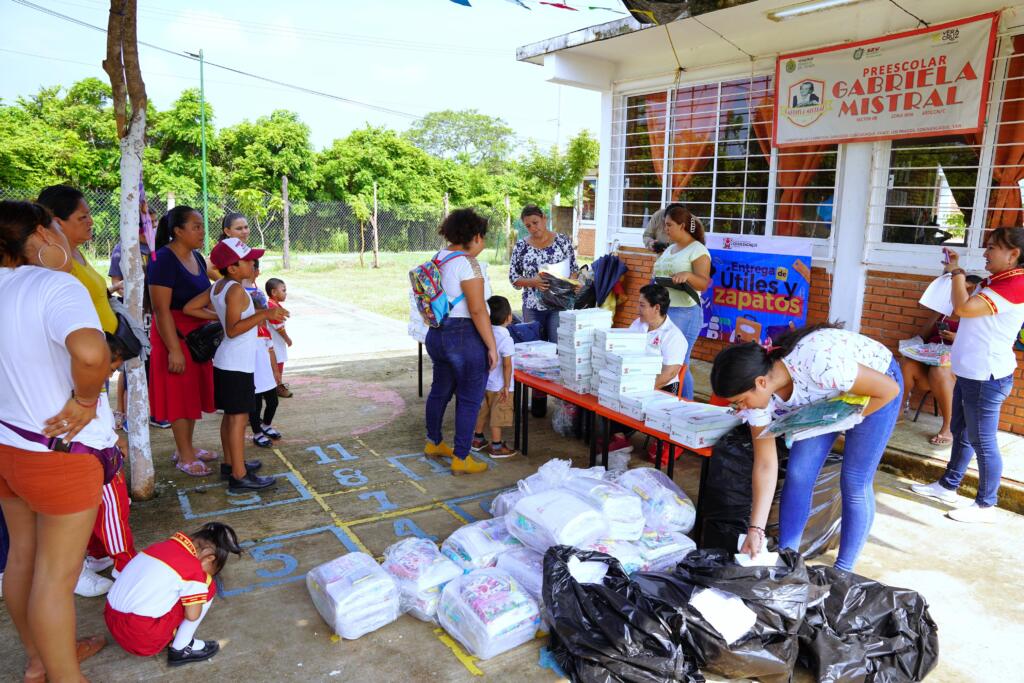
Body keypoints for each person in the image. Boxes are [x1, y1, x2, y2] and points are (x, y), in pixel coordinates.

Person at [0, 200, 110, 683]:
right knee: (54, 578)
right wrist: (86, 400)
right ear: (43, 235)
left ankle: (40, 658)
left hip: (7, 447)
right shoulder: (53, 284)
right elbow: (90, 351)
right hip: (55, 451)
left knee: (21, 559)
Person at [710, 323, 902, 571]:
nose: (741, 408)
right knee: (799, 473)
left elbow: (889, 390)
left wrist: (843, 421)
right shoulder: (758, 401)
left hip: (877, 385)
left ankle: (843, 570)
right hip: (826, 399)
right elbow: (766, 464)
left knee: (854, 480)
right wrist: (755, 529)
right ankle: (787, 558)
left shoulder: (818, 364)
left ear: (760, 382)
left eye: (740, 401)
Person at [911, 231, 1024, 523]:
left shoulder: (1016, 283)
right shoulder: (997, 281)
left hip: (987, 377)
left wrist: (958, 271)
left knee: (983, 440)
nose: (986, 253)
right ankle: (948, 485)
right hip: (970, 372)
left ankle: (987, 504)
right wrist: (954, 272)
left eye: (992, 248)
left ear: (1013, 254)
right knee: (962, 433)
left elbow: (962, 309)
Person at [185, 238, 286, 491]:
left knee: (231, 417)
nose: (253, 263)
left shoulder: (219, 286)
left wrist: (216, 314)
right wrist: (263, 314)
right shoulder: (236, 290)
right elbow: (232, 330)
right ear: (232, 267)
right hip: (236, 364)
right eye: (248, 260)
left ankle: (231, 464)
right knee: (238, 419)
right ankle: (239, 476)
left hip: (226, 361)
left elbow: (190, 307)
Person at [105, 522, 242, 666]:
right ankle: (181, 647)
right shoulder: (192, 567)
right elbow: (192, 615)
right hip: (142, 638)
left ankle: (169, 634)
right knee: (208, 584)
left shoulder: (158, 547)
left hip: (112, 620)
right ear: (209, 558)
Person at [423, 208, 497, 476]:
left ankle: (434, 443)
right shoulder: (467, 264)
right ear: (476, 236)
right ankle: (461, 457)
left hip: (437, 334)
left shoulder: (438, 258)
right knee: (469, 398)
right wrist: (491, 346)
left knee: (440, 390)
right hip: (463, 337)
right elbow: (477, 310)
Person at [148, 206, 219, 476]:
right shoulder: (162, 259)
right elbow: (161, 309)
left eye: (202, 225)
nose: (202, 231)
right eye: (196, 226)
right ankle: (185, 455)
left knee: (191, 395)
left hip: (197, 338)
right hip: (173, 336)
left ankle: (186, 447)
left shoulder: (198, 258)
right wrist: (174, 349)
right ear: (177, 231)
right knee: (179, 396)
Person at [899, 274, 982, 446]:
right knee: (907, 363)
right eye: (959, 290)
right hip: (930, 359)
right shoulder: (945, 311)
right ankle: (898, 410)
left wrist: (956, 338)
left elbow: (980, 345)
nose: (961, 294)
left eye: (967, 290)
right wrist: (938, 311)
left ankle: (948, 427)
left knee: (940, 369)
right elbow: (922, 335)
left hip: (953, 369)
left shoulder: (977, 315)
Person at [607, 284, 688, 453]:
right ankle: (619, 438)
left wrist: (638, 389)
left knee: (626, 398)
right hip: (636, 380)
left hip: (662, 387)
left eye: (642, 305)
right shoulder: (638, 324)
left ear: (656, 307)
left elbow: (669, 373)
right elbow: (625, 350)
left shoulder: (674, 336)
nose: (637, 309)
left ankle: (620, 438)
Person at [36, 185, 118, 335]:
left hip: (108, 349)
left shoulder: (74, 251)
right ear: (57, 223)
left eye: (89, 215)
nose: (91, 222)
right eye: (83, 217)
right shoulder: (56, 261)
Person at [652, 203, 711, 399]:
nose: (665, 229)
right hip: (664, 312)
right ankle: (669, 404)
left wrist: (688, 275)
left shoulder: (698, 249)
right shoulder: (670, 249)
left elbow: (703, 283)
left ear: (682, 226)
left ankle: (687, 407)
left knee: (678, 363)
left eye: (669, 225)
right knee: (663, 361)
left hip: (685, 311)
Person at [509, 204, 578, 344]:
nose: (533, 228)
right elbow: (513, 278)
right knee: (533, 349)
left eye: (535, 222)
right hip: (532, 307)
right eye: (528, 226)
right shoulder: (521, 247)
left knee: (556, 348)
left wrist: (571, 284)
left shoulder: (562, 241)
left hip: (559, 305)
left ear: (544, 219)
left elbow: (574, 269)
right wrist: (533, 282)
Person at [471, 296, 518, 458]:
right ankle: (496, 446)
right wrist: (506, 385)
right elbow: (507, 365)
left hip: (486, 383)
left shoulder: (484, 333)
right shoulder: (506, 338)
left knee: (483, 411)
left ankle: (477, 439)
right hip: (500, 385)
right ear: (509, 317)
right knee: (498, 416)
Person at [266, 277, 294, 398]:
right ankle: (277, 386)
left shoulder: (274, 304)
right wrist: (287, 338)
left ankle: (274, 386)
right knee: (278, 363)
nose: (285, 293)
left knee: (277, 363)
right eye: (283, 290)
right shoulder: (272, 306)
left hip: (275, 341)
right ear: (274, 292)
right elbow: (279, 327)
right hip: (275, 342)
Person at [206, 212, 251, 279]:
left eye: (246, 227)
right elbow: (208, 265)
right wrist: (229, 283)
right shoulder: (224, 249)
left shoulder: (241, 248)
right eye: (239, 228)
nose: (244, 231)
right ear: (227, 231)